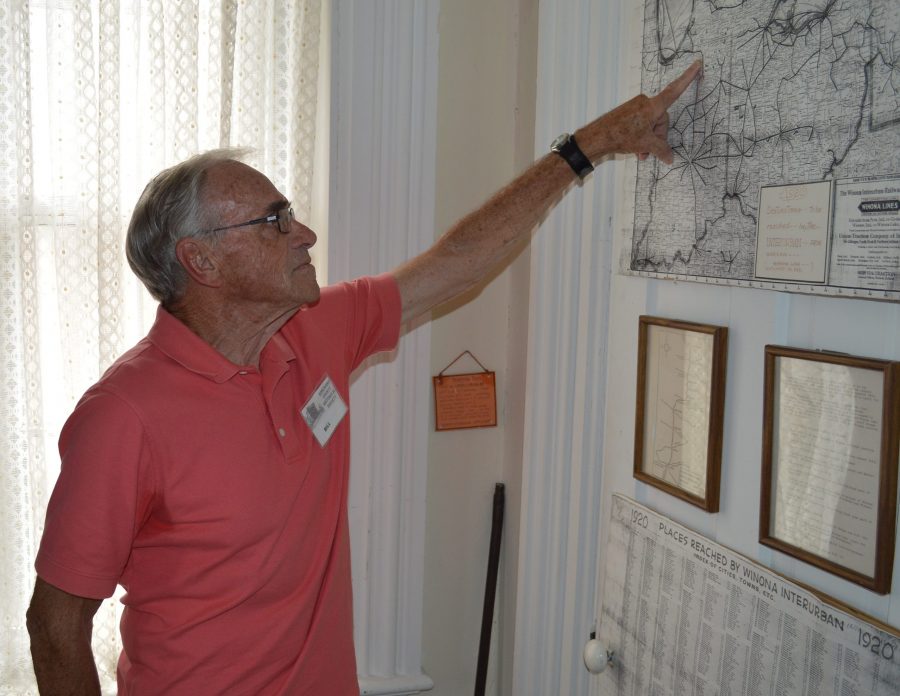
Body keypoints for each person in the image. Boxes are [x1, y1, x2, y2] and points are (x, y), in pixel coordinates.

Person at [26, 61, 702, 695]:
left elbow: (458, 261)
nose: (306, 234)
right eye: (276, 222)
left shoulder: (314, 327)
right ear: (201, 261)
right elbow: (56, 626)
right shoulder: (123, 415)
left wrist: (589, 146)